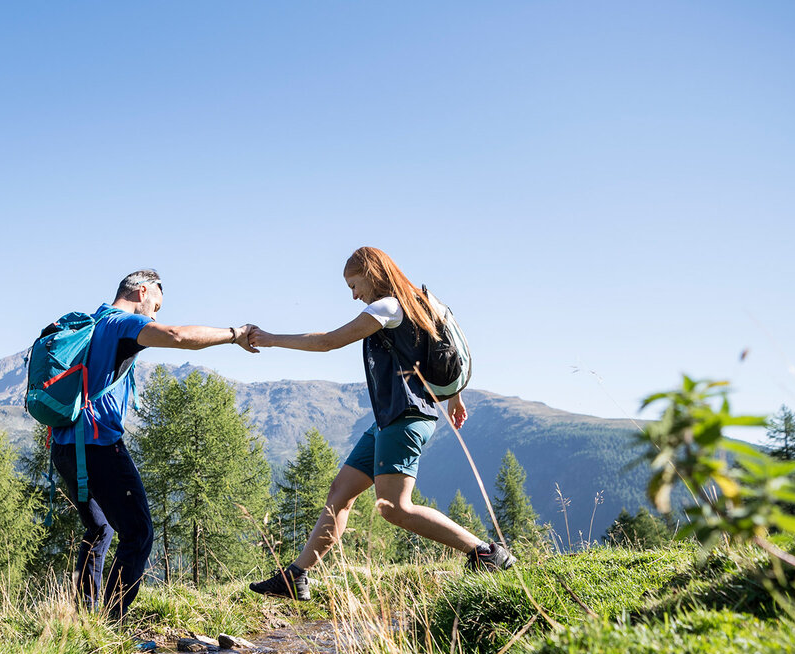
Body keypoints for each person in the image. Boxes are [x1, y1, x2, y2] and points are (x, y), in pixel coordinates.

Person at [245, 246, 516, 601]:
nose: (353, 295)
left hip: (405, 418)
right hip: (390, 418)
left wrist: (271, 339)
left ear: (371, 274)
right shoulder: (418, 302)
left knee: (393, 508)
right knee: (340, 493)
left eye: (354, 285)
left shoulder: (388, 306)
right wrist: (455, 395)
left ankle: (485, 553)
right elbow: (445, 355)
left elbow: (328, 342)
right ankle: (296, 576)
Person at [53, 269, 257, 621]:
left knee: (99, 529)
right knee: (139, 534)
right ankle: (112, 625)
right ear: (141, 292)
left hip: (64, 446)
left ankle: (85, 619)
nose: (155, 315)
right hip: (99, 445)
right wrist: (234, 334)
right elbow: (177, 336)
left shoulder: (90, 324)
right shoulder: (119, 323)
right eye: (156, 306)